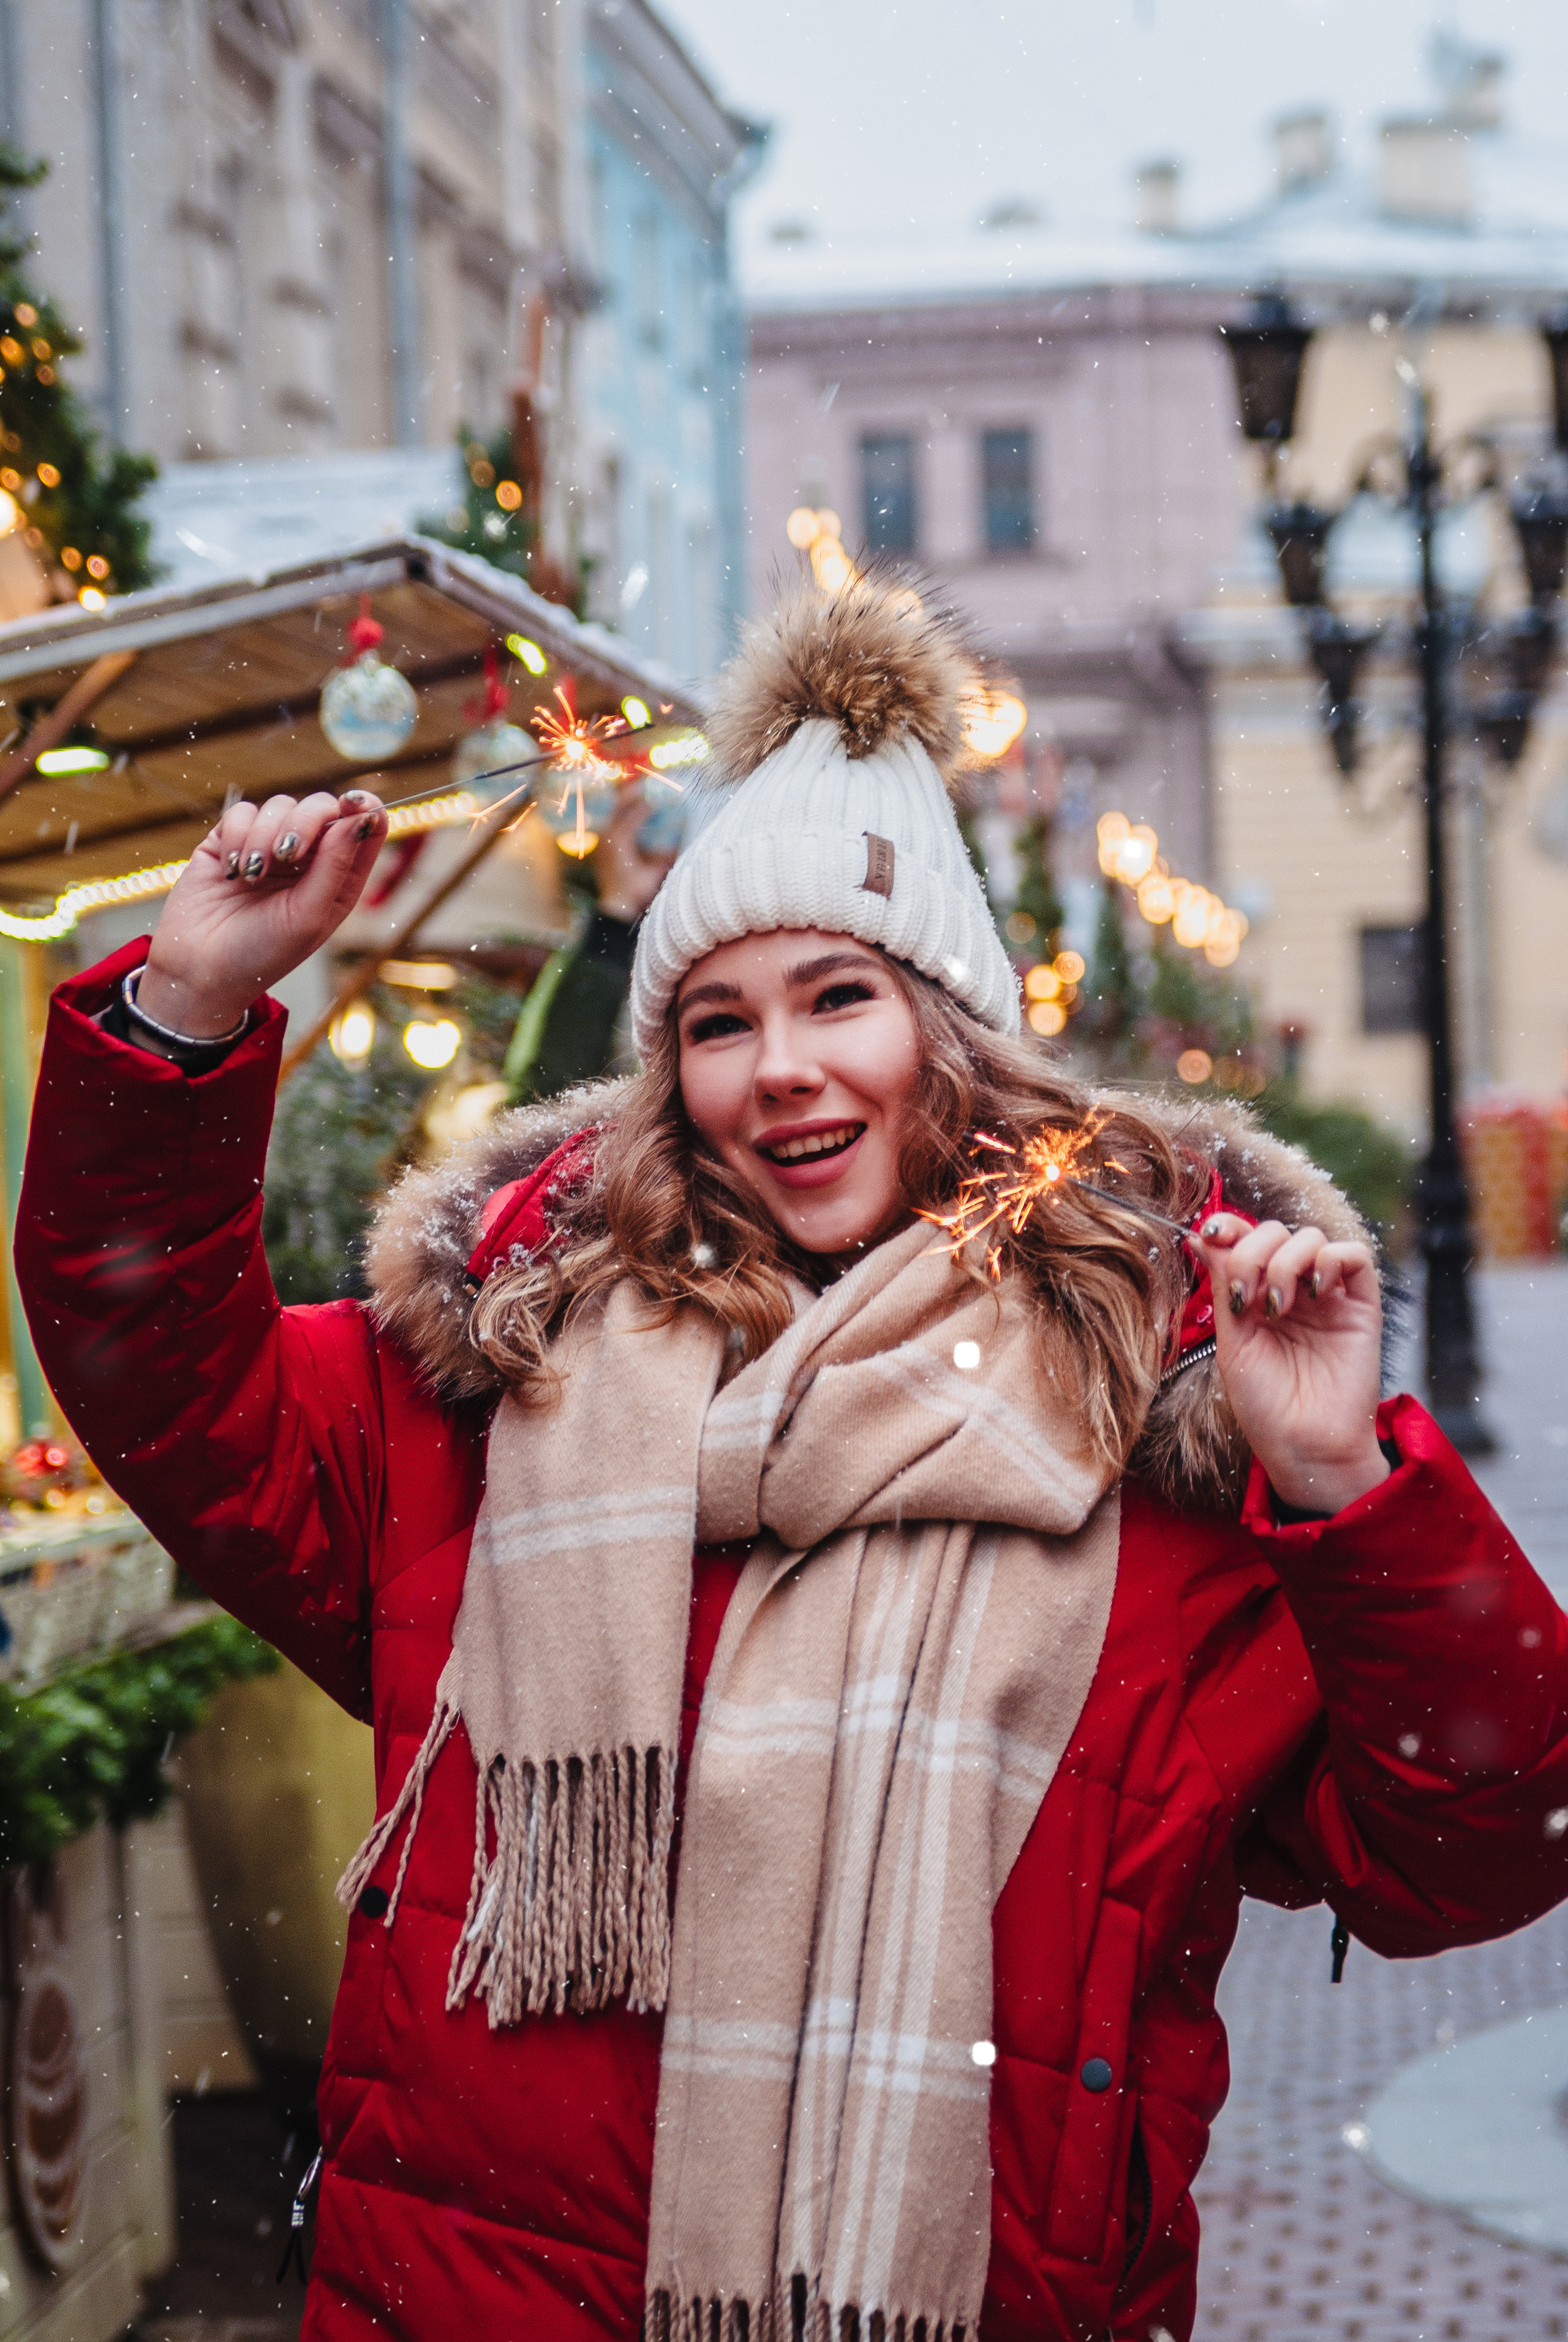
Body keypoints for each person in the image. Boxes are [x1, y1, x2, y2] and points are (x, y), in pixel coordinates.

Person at [18, 579, 1568, 2342]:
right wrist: (191, 1005)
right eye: (718, 1021)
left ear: (951, 1039)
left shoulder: (1165, 1434)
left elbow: (1481, 1850)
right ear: (670, 1078)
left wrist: (1347, 1487)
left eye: (839, 996)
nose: (782, 1070)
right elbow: (164, 1371)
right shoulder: (497, 1386)